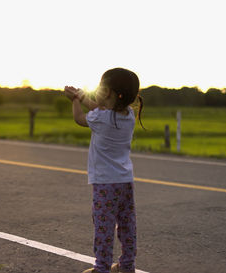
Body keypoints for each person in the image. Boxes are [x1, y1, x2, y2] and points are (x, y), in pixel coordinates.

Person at [64, 68, 144, 273]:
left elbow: (80, 118)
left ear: (108, 92)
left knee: (104, 227)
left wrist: (74, 100)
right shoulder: (129, 115)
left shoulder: (101, 118)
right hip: (125, 181)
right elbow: (100, 109)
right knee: (127, 225)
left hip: (105, 184)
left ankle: (102, 268)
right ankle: (127, 266)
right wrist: (82, 95)